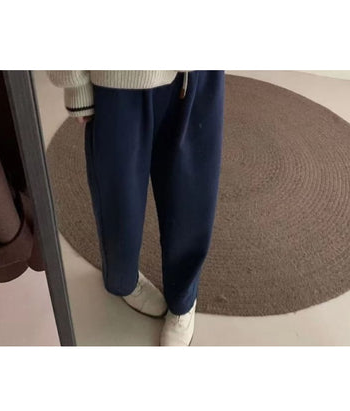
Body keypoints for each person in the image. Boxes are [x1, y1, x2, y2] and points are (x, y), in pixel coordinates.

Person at [47, 70, 225, 346]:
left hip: (196, 76)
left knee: (191, 197)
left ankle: (183, 298)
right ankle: (123, 281)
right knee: (117, 198)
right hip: (116, 77)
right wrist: (74, 82)